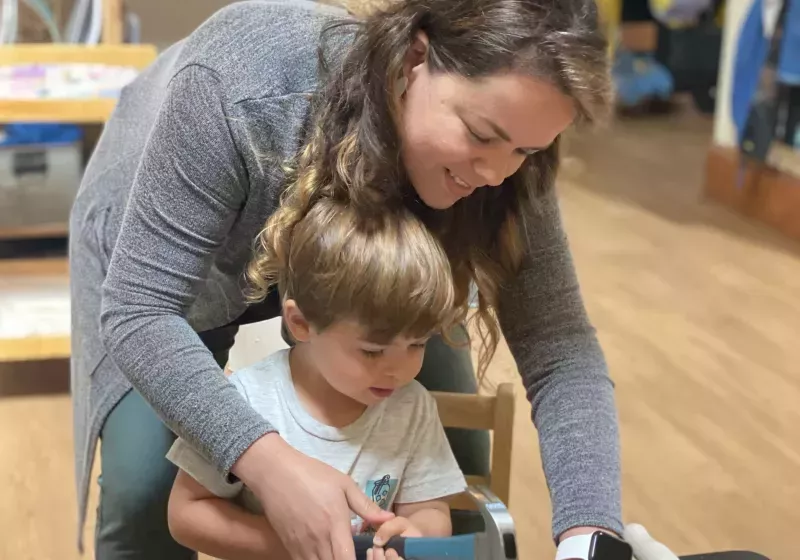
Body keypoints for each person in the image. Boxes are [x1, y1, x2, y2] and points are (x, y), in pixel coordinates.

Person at [68, 0, 621, 559]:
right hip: (176, 254)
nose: (496, 173)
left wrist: (589, 533)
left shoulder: (510, 153)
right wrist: (270, 466)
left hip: (366, 265)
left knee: (456, 470)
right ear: (415, 61)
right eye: (480, 134)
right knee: (144, 492)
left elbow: (559, 346)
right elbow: (141, 310)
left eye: (526, 150)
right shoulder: (244, 85)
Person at [165, 198, 467, 560]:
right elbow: (186, 514)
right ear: (301, 323)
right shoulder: (244, 399)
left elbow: (430, 510)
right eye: (372, 351)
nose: (398, 370)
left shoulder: (412, 406)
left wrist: (415, 535)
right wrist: (299, 545)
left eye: (418, 344)